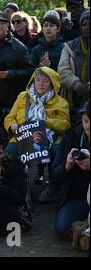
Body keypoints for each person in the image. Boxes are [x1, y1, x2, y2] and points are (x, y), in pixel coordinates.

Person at [4, 67, 70, 202]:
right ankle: (14, 186)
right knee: (9, 152)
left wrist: (48, 122)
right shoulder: (23, 96)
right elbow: (9, 118)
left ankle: (53, 188)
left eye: (45, 81)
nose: (40, 84)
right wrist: (12, 126)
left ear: (52, 83)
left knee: (56, 151)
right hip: (23, 135)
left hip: (50, 137)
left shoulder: (61, 102)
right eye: (38, 80)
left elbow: (65, 124)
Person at [52, 100, 90, 238]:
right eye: (86, 121)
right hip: (78, 198)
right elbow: (55, 176)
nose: (89, 127)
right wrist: (67, 166)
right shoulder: (72, 136)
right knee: (62, 228)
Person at [58, 9, 89, 118]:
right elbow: (62, 70)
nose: (86, 27)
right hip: (73, 97)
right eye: (84, 24)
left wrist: (88, 87)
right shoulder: (69, 46)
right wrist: (77, 85)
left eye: (89, 24)